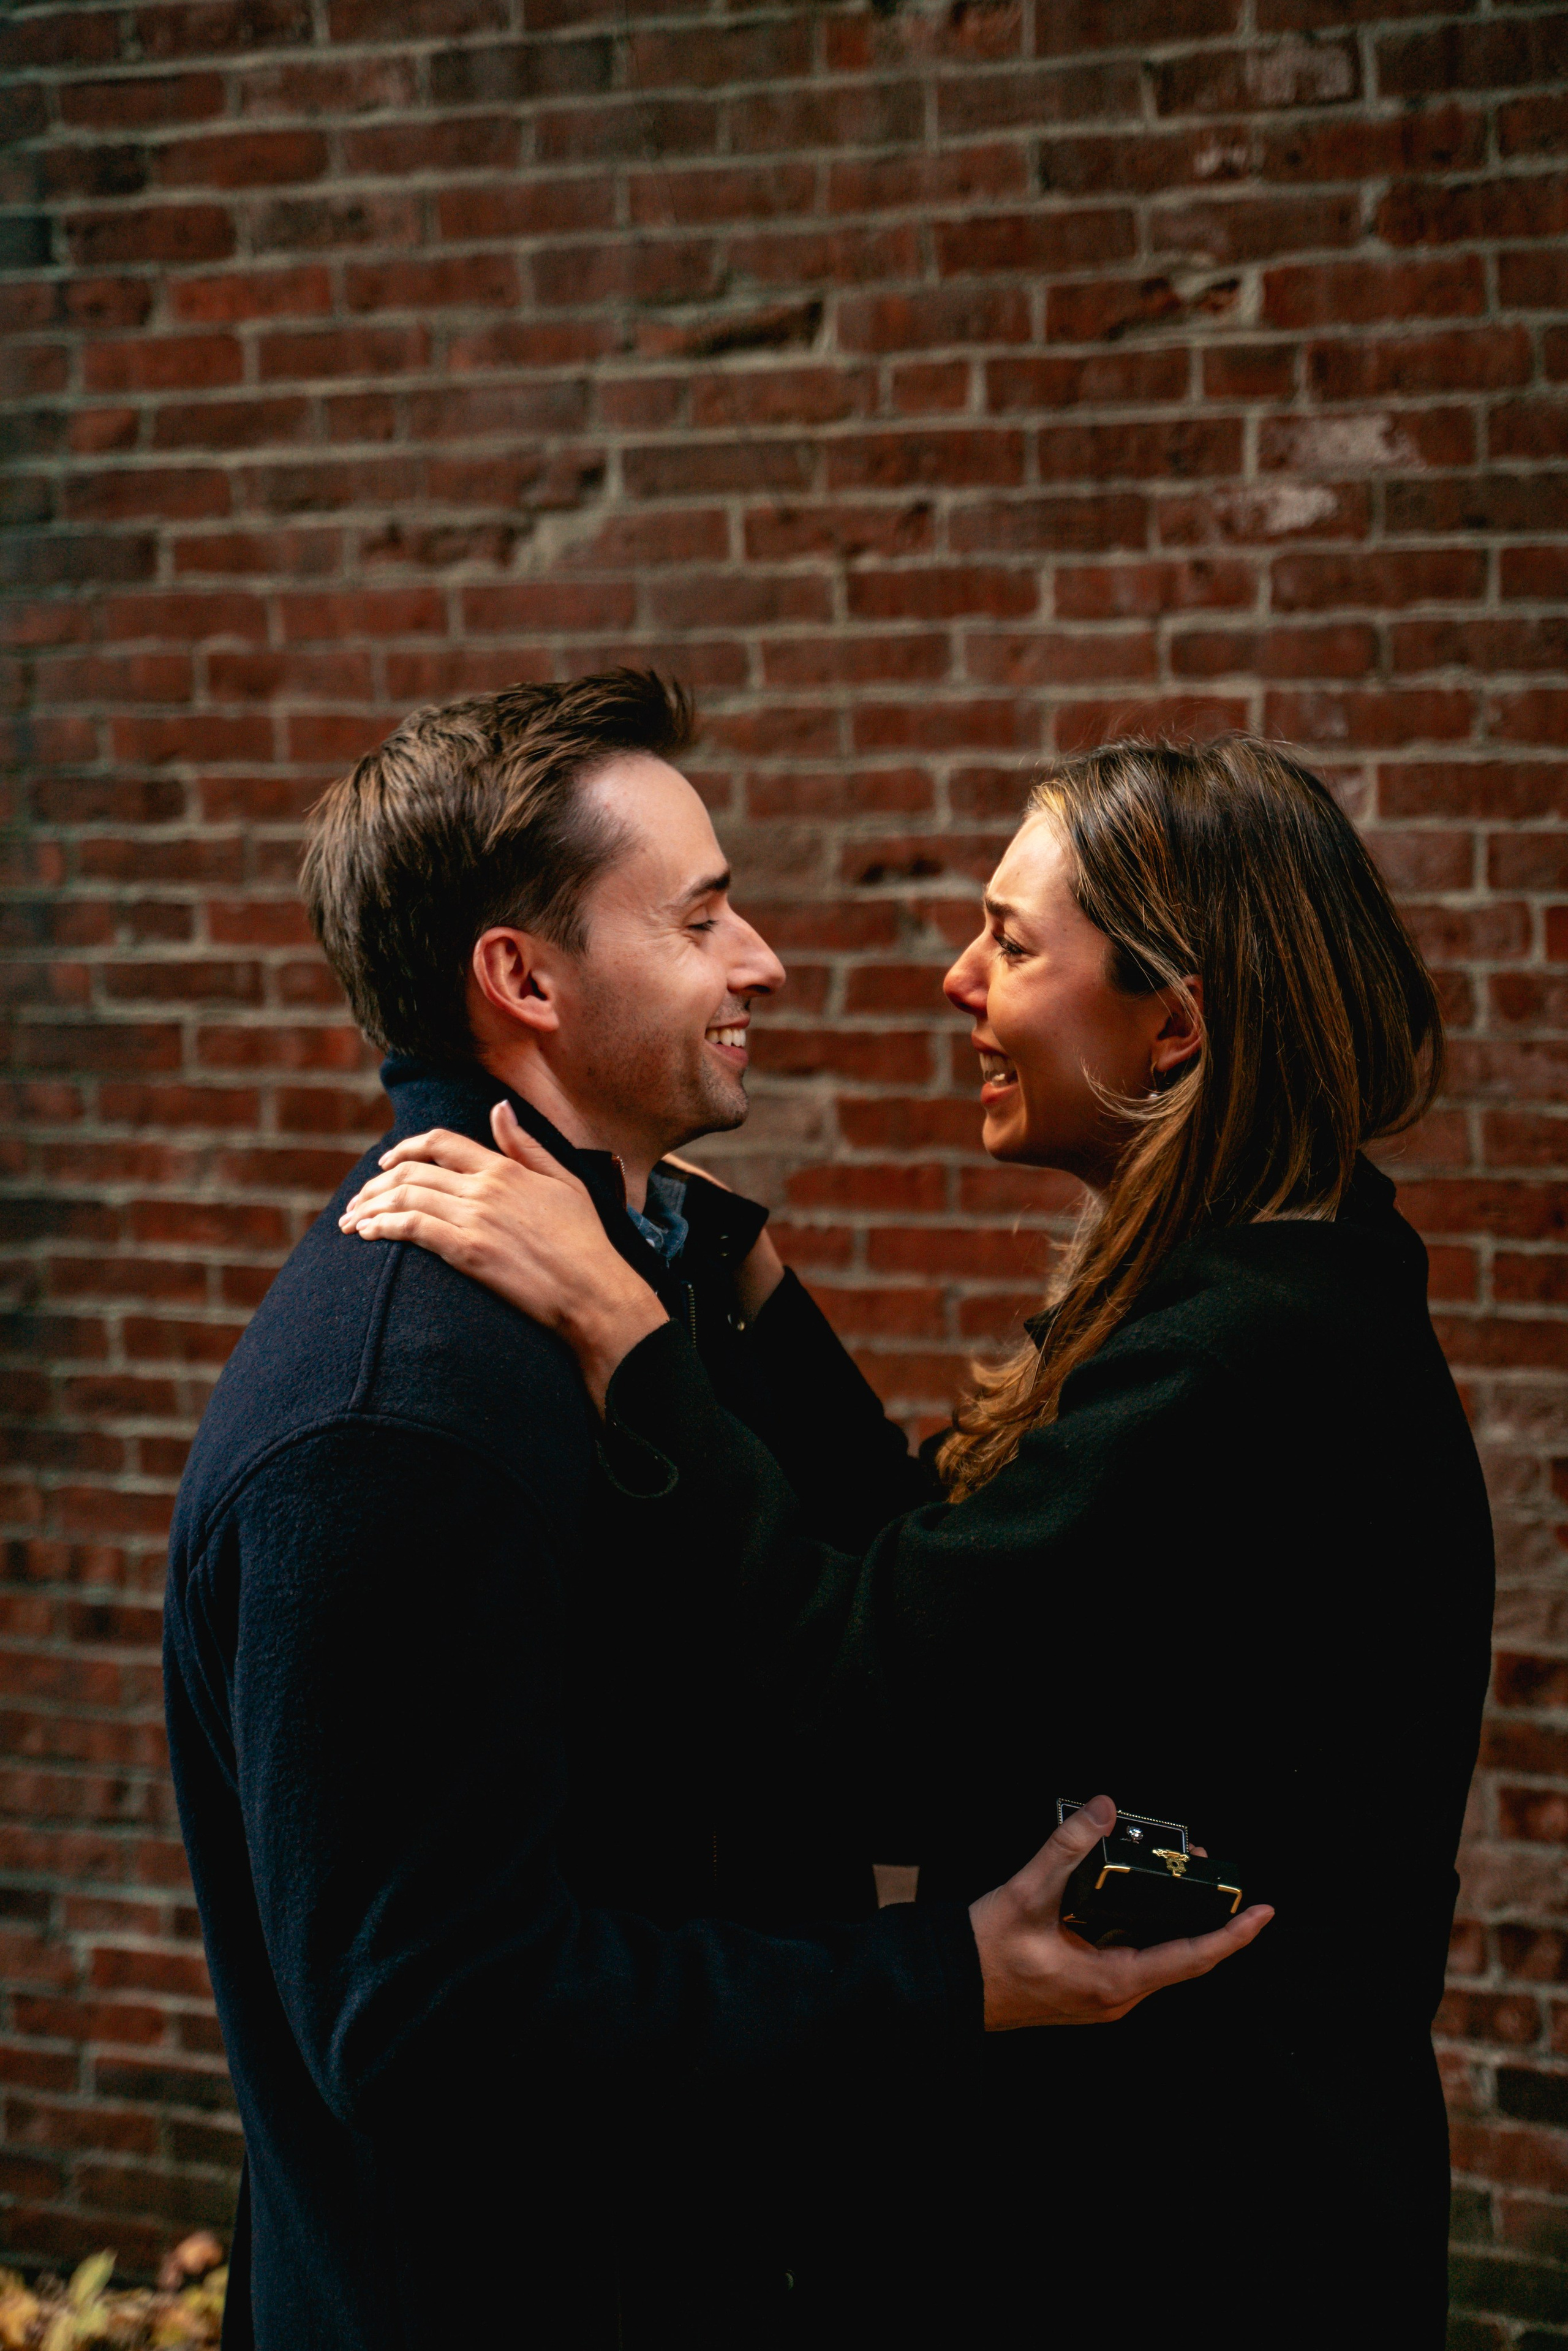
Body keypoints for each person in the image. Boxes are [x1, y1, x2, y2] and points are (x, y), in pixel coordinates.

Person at [344, 732, 1494, 2344]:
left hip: (1193, 2235)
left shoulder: (1245, 1367)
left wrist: (627, 1330)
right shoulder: (1283, 1279)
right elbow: (965, 1594)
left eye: (1015, 945)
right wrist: (730, 1270)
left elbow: (869, 1701)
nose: (960, 980)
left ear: (1176, 1024)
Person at [164, 675, 1268, 2351]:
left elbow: (861, 1618)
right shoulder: (396, 1422)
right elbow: (433, 2026)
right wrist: (952, 1974)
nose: (759, 962)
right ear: (523, 978)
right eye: (700, 919)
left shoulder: (628, 1309)